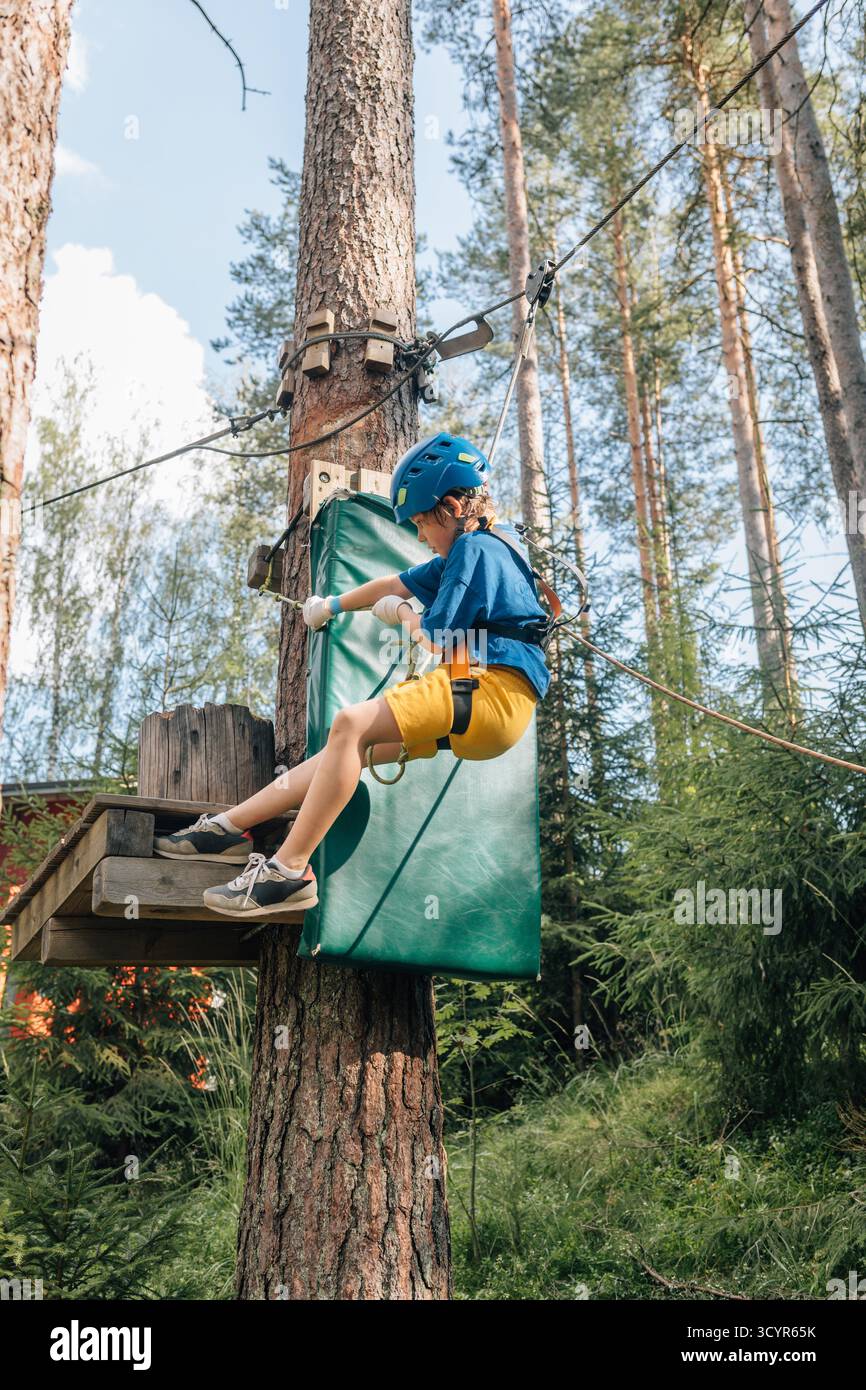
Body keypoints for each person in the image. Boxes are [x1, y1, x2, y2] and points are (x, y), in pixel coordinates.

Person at [153, 431, 552, 919]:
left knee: (350, 723)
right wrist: (333, 605)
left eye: (423, 524)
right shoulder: (488, 547)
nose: (421, 537)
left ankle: (288, 871)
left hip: (488, 690)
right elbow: (395, 581)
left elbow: (437, 637)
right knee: (341, 754)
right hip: (494, 709)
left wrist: (403, 615)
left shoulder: (474, 552)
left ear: (449, 506)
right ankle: (227, 828)